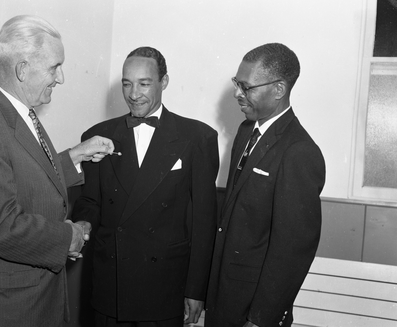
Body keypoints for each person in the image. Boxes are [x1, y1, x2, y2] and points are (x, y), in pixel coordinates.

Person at [71, 46, 219, 327]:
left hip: (164, 286)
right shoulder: (96, 136)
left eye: (144, 84)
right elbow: (90, 202)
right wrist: (83, 227)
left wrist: (196, 290)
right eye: (127, 84)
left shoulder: (198, 137)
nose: (134, 94)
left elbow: (204, 221)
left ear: (164, 82)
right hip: (110, 283)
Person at [0, 15, 115, 327]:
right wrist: (69, 237)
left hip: (39, 297)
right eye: (54, 67)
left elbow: (22, 174)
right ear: (23, 69)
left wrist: (74, 156)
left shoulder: (19, 113)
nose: (60, 78)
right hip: (16, 308)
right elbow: (1, 225)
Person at [205, 43, 326, 327]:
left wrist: (261, 319)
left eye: (246, 87)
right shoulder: (247, 131)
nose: (237, 93)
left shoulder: (299, 152)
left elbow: (292, 251)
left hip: (254, 310)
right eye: (237, 83)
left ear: (279, 90)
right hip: (224, 297)